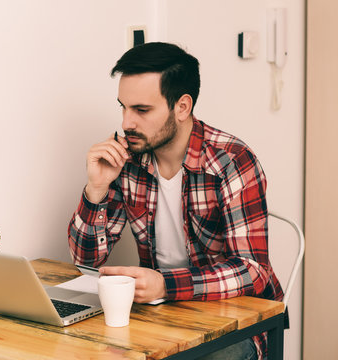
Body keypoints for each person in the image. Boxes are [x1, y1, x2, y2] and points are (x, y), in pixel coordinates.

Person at [68, 42, 283, 360]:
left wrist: (165, 285)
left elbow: (253, 271)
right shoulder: (127, 157)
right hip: (157, 315)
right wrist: (96, 189)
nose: (127, 123)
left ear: (182, 107)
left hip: (231, 320)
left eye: (141, 110)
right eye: (123, 107)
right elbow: (85, 261)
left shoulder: (232, 159)